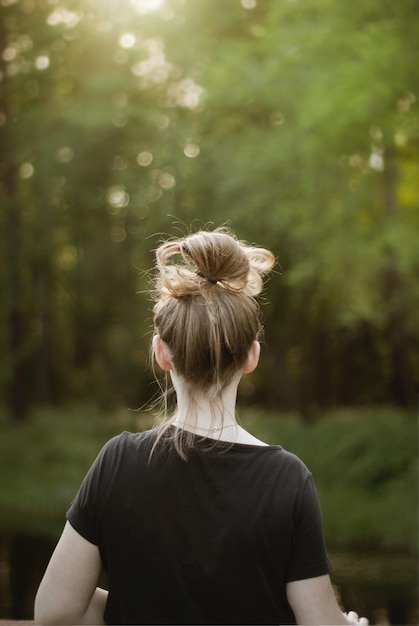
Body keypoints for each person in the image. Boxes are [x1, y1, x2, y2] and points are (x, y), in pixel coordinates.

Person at [34, 227, 368, 625]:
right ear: (251, 356)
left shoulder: (118, 461)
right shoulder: (287, 479)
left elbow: (55, 613)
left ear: (161, 353)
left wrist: (132, 605)